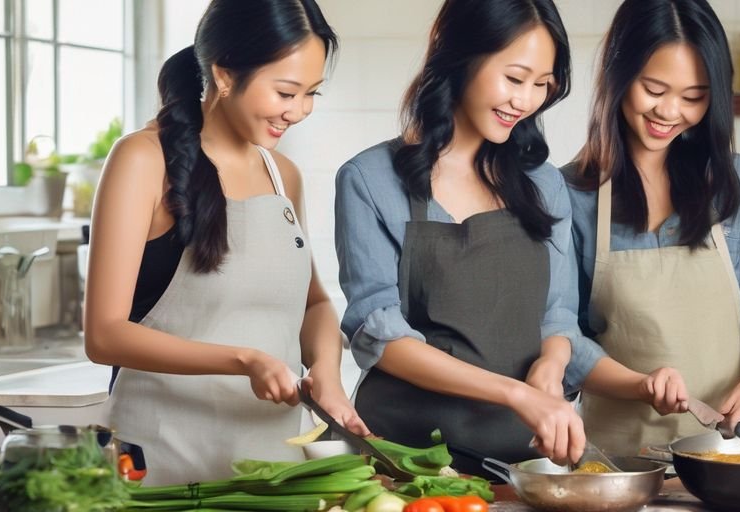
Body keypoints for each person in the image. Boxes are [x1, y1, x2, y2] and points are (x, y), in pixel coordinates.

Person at [83, 0, 366, 485]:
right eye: (285, 92)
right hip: (161, 465)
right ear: (225, 75)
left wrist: (329, 379)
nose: (298, 112)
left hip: (272, 471)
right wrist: (244, 359)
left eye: (311, 94)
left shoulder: (283, 176)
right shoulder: (142, 159)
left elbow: (314, 304)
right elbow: (104, 335)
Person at [335, 0, 597, 475]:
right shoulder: (369, 179)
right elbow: (380, 337)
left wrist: (550, 368)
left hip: (523, 461)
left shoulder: (542, 182)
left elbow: (558, 315)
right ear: (460, 55)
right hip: (408, 463)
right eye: (514, 79)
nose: (526, 101)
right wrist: (514, 392)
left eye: (542, 85)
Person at [564, 0, 740, 454]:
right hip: (615, 466)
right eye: (654, 89)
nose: (670, 112)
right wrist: (641, 384)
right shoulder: (570, 196)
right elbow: (562, 338)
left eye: (694, 96)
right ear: (618, 77)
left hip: (722, 457)